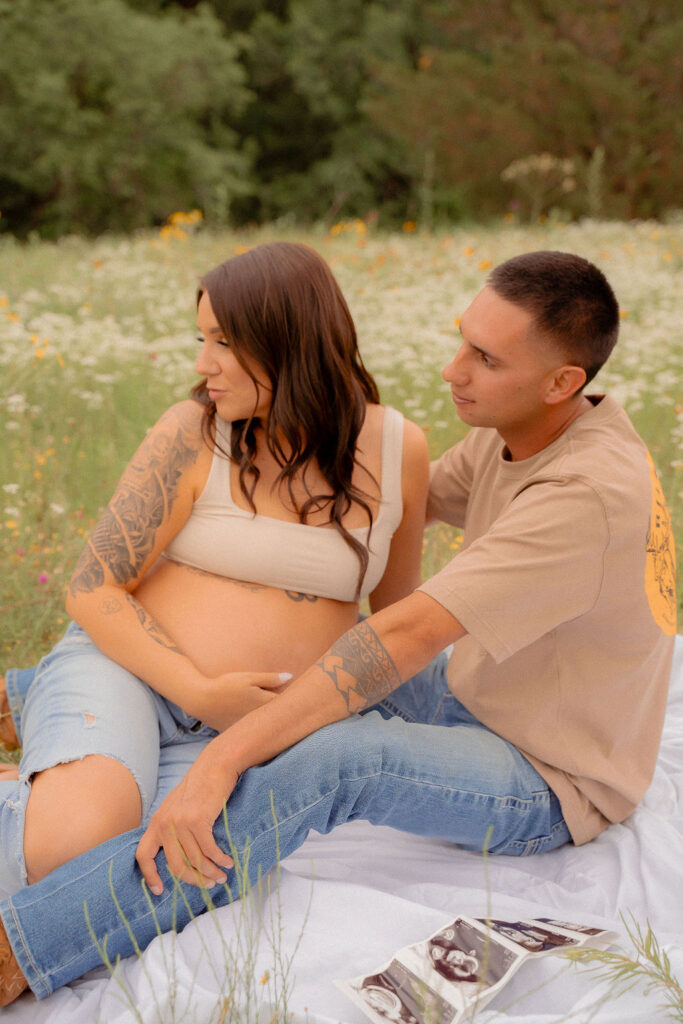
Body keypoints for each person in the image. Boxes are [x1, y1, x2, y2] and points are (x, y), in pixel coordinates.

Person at [0, 250, 676, 1007]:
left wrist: (225, 758)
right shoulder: (517, 430)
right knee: (327, 681)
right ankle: (41, 694)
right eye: (462, 340)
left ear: (563, 382)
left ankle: (26, 946)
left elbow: (403, 630)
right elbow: (391, 504)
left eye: (484, 358)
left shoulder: (586, 489)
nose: (453, 370)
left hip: (548, 773)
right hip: (479, 695)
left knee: (338, 754)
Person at [0, 239, 430, 1003]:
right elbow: (93, 587)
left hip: (262, 726)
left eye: (223, 342)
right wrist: (200, 692)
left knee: (178, 861)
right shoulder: (193, 432)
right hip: (129, 671)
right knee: (75, 846)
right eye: (202, 338)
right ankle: (41, 746)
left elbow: (393, 618)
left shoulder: (398, 450)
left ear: (289, 343)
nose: (203, 363)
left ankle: (30, 723)